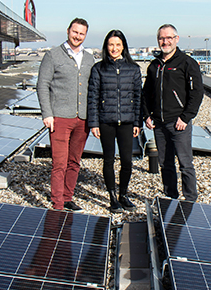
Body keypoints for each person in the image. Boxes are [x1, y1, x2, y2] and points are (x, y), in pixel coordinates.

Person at [37, 18, 94, 211]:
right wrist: (47, 113)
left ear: (85, 35)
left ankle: (68, 196)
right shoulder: (53, 56)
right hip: (59, 118)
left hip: (83, 119)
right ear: (68, 30)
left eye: (81, 33)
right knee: (59, 162)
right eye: (75, 32)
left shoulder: (89, 58)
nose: (77, 36)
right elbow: (42, 84)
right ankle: (58, 203)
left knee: (74, 161)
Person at [142, 24, 204, 202]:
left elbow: (197, 93)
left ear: (177, 39)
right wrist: (146, 115)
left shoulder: (186, 63)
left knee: (185, 164)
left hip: (178, 123)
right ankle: (171, 199)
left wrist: (186, 117)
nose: (165, 41)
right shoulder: (154, 66)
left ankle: (190, 201)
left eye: (169, 38)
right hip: (159, 124)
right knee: (165, 164)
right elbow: (146, 93)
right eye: (162, 38)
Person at [87, 30, 142, 212]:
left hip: (127, 122)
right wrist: (94, 123)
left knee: (127, 161)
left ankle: (123, 195)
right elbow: (93, 97)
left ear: (123, 47)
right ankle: (112, 197)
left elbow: (138, 97)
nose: (114, 48)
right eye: (111, 45)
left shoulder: (133, 69)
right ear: (106, 46)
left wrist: (137, 122)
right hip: (106, 122)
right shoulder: (98, 69)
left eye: (118, 45)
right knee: (108, 160)